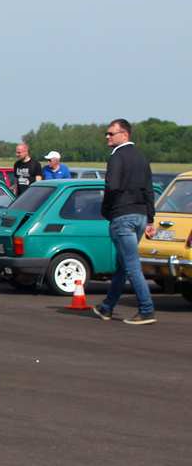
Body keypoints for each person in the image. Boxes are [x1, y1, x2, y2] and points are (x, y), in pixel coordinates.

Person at [93, 119, 156, 325]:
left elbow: (111, 186)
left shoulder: (117, 157)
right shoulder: (141, 158)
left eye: (111, 133)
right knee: (122, 264)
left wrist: (106, 210)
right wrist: (150, 218)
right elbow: (149, 189)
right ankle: (107, 307)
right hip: (139, 216)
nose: (108, 137)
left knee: (131, 265)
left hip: (123, 216)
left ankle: (146, 309)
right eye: (107, 133)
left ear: (125, 135)